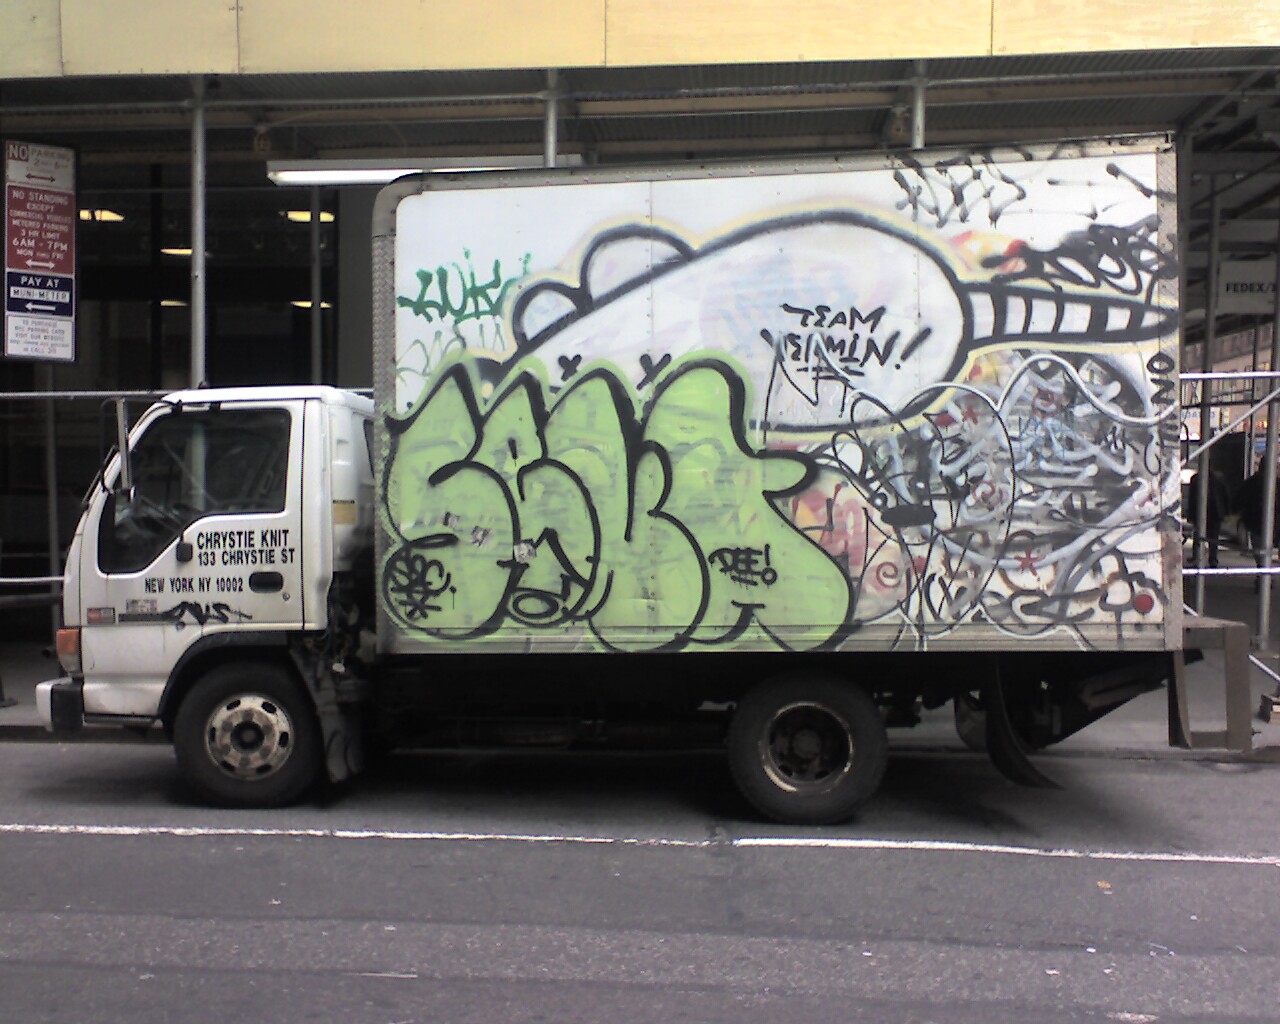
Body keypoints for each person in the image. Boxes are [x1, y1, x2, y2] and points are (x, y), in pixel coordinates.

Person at [1187, 470, 1229, 568]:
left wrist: (1190, 513)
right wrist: (1225, 511)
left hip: (1201, 510)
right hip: (1215, 511)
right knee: (1213, 537)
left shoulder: (1196, 479)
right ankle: (1212, 559)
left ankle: (1197, 557)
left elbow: (1192, 497)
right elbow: (1225, 495)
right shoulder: (1219, 479)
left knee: (1198, 535)